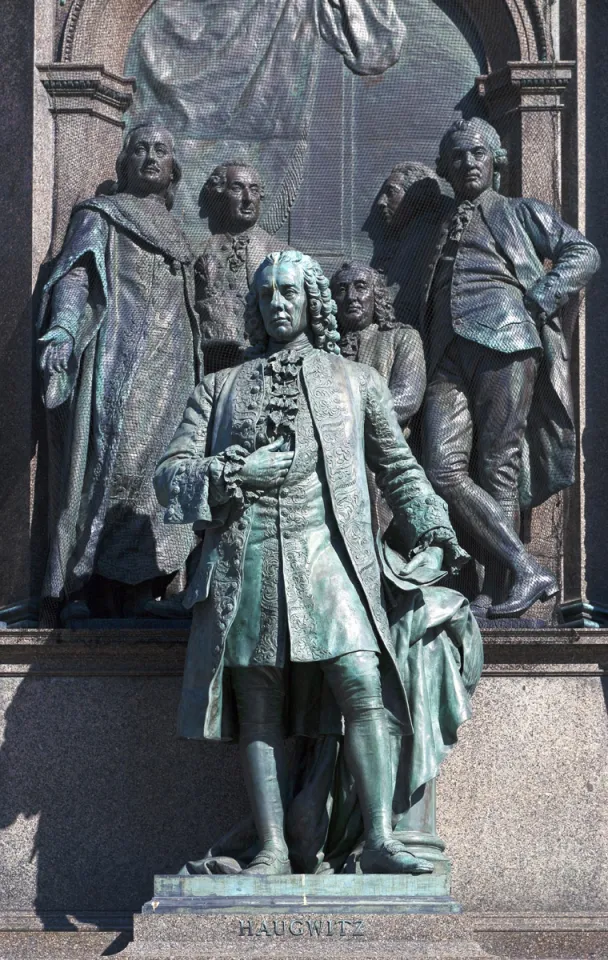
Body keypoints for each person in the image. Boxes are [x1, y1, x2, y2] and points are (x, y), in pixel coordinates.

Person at [155, 249, 469, 876]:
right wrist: (234, 471)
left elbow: (399, 468)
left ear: (312, 301)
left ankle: (379, 838)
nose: (276, 303)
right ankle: (271, 849)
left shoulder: (356, 380)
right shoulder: (218, 388)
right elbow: (170, 478)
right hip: (248, 561)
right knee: (260, 703)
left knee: (361, 684)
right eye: (266, 294)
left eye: (289, 292)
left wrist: (435, 528)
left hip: (330, 557)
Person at [420, 118, 600, 619]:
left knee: (497, 464)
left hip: (505, 336)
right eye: (457, 156)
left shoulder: (520, 213)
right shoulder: (440, 226)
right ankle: (524, 566)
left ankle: (497, 591)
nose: (468, 163)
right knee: (442, 468)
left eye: (478, 154)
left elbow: (583, 252)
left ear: (497, 162)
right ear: (445, 167)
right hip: (446, 352)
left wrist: (541, 298)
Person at [38, 124, 201, 622]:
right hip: (120, 361)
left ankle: (146, 588)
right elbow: (77, 273)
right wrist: (64, 330)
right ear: (123, 163)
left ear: (173, 168)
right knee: (116, 463)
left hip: (173, 370)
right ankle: (84, 587)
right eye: (139, 149)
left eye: (160, 150)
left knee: (165, 475)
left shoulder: (180, 235)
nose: (150, 157)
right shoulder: (99, 214)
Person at [330, 262, 426, 530]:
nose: (350, 296)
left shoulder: (402, 338)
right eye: (341, 289)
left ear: (377, 295)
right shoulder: (323, 349)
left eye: (360, 287)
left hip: (384, 454)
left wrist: (352, 426)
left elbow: (407, 398)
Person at [195, 161, 288, 371]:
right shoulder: (198, 253)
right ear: (220, 194)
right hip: (213, 367)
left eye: (254, 190)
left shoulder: (285, 255)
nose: (247, 199)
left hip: (268, 365)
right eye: (237, 188)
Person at [371, 162, 453, 326]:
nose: (381, 202)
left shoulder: (422, 237)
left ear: (415, 197)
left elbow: (400, 304)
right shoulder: (411, 235)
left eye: (391, 192)